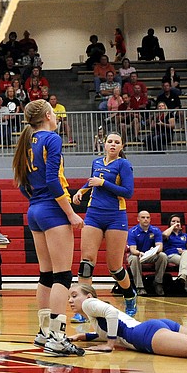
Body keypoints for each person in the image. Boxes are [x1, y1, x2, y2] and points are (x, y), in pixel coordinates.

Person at [12, 99, 85, 356]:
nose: (56, 116)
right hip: (53, 210)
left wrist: (38, 201)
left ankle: (44, 333)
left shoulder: (28, 141)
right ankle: (57, 337)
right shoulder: (51, 139)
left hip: (35, 210)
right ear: (46, 115)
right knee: (62, 276)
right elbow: (54, 180)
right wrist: (71, 214)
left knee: (46, 274)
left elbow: (22, 183)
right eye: (53, 112)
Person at [72, 132, 136, 321]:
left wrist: (104, 183)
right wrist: (82, 190)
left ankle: (130, 296)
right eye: (110, 142)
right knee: (86, 263)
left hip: (116, 216)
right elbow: (92, 180)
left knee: (115, 267)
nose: (113, 145)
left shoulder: (123, 164)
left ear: (122, 147)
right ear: (104, 144)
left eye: (117, 142)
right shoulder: (97, 162)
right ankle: (83, 310)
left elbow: (128, 192)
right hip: (94, 214)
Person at [67, 284, 187, 357]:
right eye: (69, 297)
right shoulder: (95, 313)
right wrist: (81, 336)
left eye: (74, 296)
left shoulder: (88, 304)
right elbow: (109, 332)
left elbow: (111, 314)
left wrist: (109, 345)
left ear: (89, 296)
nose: (70, 301)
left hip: (143, 336)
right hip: (149, 328)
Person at [127, 211, 168, 296]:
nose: (146, 219)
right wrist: (139, 253)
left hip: (150, 255)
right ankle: (139, 287)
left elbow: (160, 247)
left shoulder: (156, 230)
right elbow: (132, 249)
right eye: (143, 217)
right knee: (133, 258)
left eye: (147, 217)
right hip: (138, 255)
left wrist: (154, 250)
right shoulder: (132, 231)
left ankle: (158, 283)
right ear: (138, 219)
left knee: (163, 256)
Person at [161, 215, 187, 296]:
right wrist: (172, 227)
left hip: (185, 254)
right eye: (173, 221)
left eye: (178, 222)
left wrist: (183, 251)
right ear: (170, 223)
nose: (176, 223)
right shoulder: (168, 234)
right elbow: (165, 234)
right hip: (171, 255)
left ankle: (183, 275)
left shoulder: (185, 235)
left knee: (186, 255)